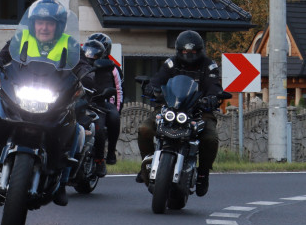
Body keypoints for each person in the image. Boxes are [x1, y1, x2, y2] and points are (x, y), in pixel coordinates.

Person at [0, 0, 82, 206]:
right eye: (40, 22)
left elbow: (82, 67)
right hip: (20, 91)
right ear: (33, 23)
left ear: (58, 26)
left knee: (74, 126)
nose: (44, 27)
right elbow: (2, 57)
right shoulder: (21, 39)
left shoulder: (70, 44)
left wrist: (86, 78)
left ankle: (62, 181)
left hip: (52, 97)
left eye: (50, 23)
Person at [135, 30, 223, 196]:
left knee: (210, 138)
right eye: (184, 51)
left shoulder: (208, 65)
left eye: (193, 51)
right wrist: (151, 88)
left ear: (199, 50)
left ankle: (203, 173)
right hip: (169, 108)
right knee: (144, 129)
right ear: (178, 51)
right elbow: (158, 79)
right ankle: (147, 163)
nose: (188, 54)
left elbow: (213, 85)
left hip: (199, 110)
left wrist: (212, 97)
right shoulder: (171, 63)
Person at [86, 32, 123, 166]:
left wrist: (117, 109)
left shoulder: (113, 68)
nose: (93, 53)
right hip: (83, 100)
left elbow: (118, 89)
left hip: (103, 103)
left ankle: (110, 152)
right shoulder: (83, 64)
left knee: (113, 118)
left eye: (97, 50)